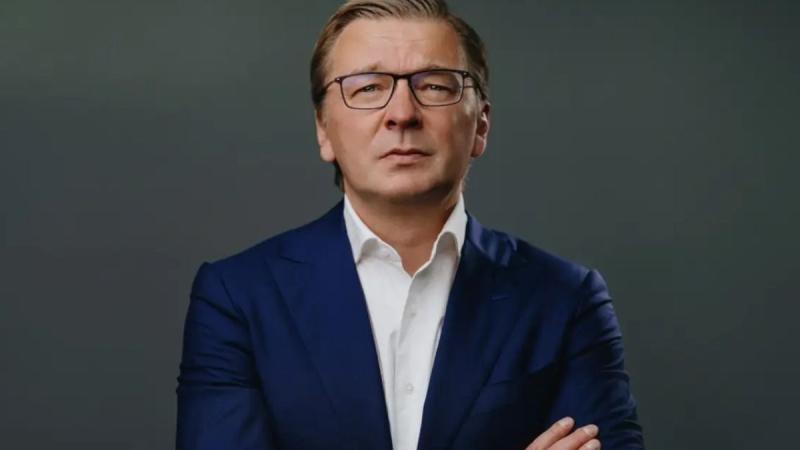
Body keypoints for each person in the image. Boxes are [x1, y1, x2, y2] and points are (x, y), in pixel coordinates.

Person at [175, 1, 645, 449]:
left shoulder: (565, 299)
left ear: (480, 126)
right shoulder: (238, 297)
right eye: (368, 88)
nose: (402, 114)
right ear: (323, 128)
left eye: (435, 86)